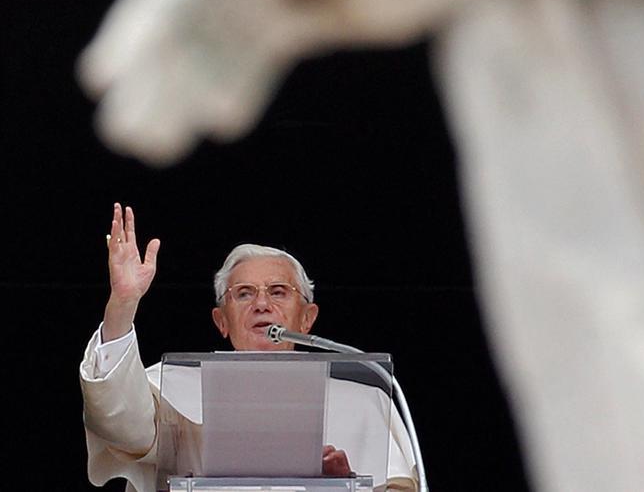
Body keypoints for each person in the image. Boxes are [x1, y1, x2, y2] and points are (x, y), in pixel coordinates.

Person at [79, 203, 418, 491]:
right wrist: (122, 305)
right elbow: (118, 424)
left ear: (307, 319)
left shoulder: (364, 402)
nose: (261, 304)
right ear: (221, 321)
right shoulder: (167, 389)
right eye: (244, 293)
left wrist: (343, 484)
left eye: (278, 291)